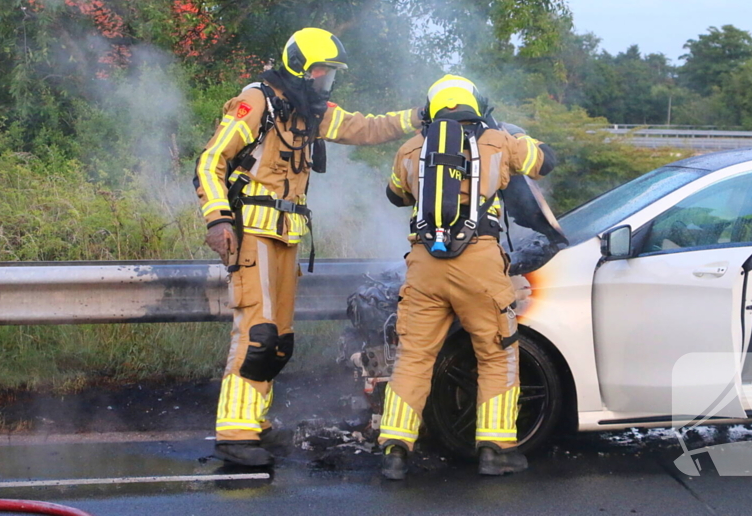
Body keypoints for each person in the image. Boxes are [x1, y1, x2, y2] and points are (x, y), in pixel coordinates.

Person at [195, 27, 420, 468]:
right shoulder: (256, 101)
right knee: (256, 335)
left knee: (278, 341)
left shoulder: (309, 111)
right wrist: (218, 218)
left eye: (329, 75)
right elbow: (210, 160)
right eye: (320, 72)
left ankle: (255, 424)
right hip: (251, 233)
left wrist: (416, 116)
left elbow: (366, 128)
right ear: (299, 67)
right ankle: (235, 435)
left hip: (286, 236)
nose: (324, 82)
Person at [377, 74, 556, 479]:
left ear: (431, 109)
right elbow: (545, 161)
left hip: (424, 265)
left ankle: (394, 449)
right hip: (479, 261)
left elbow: (394, 194)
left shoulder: (410, 149)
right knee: (495, 352)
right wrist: (507, 131)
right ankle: (495, 450)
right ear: (477, 105)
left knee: (414, 358)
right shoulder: (497, 141)